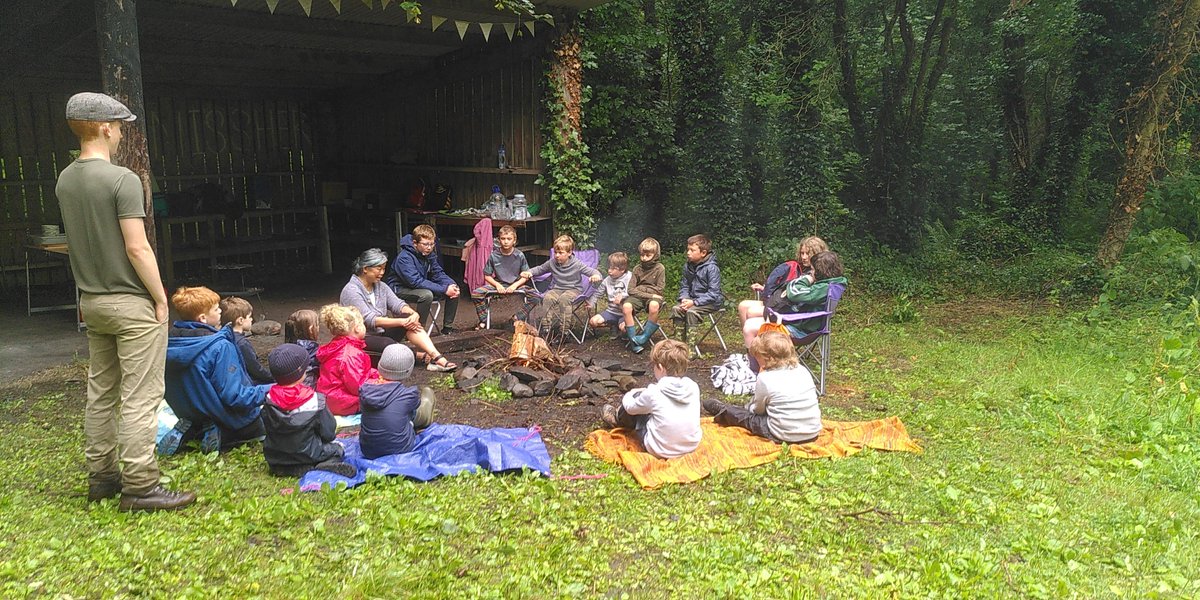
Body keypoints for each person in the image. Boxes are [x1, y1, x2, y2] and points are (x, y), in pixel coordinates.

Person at [56, 91, 195, 511]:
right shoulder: (121, 179)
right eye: (118, 127)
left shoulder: (65, 179)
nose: (120, 134)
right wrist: (161, 298)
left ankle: (102, 477)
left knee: (101, 391)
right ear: (103, 128)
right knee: (141, 395)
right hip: (130, 303)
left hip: (92, 302)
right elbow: (138, 248)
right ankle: (141, 485)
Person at [162, 286, 273, 455]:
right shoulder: (220, 346)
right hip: (229, 418)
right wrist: (273, 388)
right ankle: (224, 433)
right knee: (272, 417)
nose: (221, 310)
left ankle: (196, 430)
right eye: (216, 309)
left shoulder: (169, 343)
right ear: (203, 318)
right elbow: (235, 396)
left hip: (189, 413)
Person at [340, 248, 456, 372]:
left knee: (409, 322)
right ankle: (417, 356)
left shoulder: (380, 286)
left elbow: (398, 304)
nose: (382, 272)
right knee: (388, 344)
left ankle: (436, 357)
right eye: (378, 269)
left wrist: (412, 313)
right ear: (365, 269)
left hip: (379, 332)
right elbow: (370, 320)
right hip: (359, 338)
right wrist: (402, 322)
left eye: (384, 268)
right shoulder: (351, 290)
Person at [701, 332, 821, 443]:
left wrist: (747, 409)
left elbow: (757, 410)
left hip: (782, 434)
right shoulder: (802, 370)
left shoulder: (765, 378)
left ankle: (724, 410)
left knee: (745, 417)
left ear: (766, 358)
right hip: (812, 432)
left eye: (757, 357)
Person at [261, 344, 357, 478]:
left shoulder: (269, 399)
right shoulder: (314, 400)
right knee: (338, 448)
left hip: (277, 456)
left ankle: (285, 468)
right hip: (309, 453)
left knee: (288, 451)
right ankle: (318, 466)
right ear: (300, 372)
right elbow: (328, 433)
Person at [599, 339, 702, 459]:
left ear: (660, 367)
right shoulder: (693, 387)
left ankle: (617, 418)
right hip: (690, 446)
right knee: (649, 404)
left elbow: (630, 408)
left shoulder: (654, 392)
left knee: (638, 402)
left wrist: (631, 393)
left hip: (659, 449)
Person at [742, 251, 848, 360]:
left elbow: (794, 293)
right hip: (801, 322)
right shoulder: (833, 284)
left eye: (813, 269)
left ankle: (755, 368)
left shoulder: (823, 289)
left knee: (749, 328)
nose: (811, 272)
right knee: (751, 317)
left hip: (801, 330)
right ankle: (761, 361)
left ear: (821, 271)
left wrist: (807, 279)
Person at [738, 236, 829, 347]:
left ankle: (758, 347)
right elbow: (785, 286)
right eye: (802, 253)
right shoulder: (801, 268)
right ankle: (753, 347)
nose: (804, 257)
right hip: (783, 304)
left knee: (751, 313)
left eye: (808, 254)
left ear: (817, 254)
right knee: (743, 306)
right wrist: (766, 289)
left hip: (791, 314)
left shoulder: (815, 275)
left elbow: (797, 295)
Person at [359, 344, 438, 459]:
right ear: (408, 371)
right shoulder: (409, 394)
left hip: (368, 450)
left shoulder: (364, 390)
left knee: (394, 410)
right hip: (401, 448)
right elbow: (413, 406)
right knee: (409, 410)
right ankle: (424, 418)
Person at [520, 235, 601, 340]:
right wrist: (529, 272)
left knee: (564, 299)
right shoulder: (552, 263)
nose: (557, 255)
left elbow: (593, 271)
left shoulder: (577, 264)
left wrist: (596, 276)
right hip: (557, 289)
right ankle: (546, 329)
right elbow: (540, 269)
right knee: (548, 298)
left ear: (569, 253)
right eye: (555, 253)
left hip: (573, 290)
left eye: (561, 253)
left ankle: (564, 332)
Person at [386, 224, 462, 333]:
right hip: (399, 288)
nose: (429, 247)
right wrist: (444, 289)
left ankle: (447, 328)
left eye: (432, 244)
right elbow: (414, 281)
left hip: (417, 286)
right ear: (415, 243)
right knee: (426, 295)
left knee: (454, 289)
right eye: (426, 244)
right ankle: (418, 331)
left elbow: (438, 273)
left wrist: (450, 284)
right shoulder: (404, 258)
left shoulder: (428, 254)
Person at [316, 304, 378, 416]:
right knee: (386, 396)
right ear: (357, 328)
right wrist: (377, 381)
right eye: (362, 323)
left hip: (330, 397)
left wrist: (374, 374)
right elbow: (358, 388)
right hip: (342, 403)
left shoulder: (337, 345)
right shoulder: (351, 354)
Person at [471, 225, 536, 327]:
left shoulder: (519, 255)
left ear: (514, 241)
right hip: (499, 283)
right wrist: (497, 285)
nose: (506, 241)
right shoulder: (494, 255)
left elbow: (525, 275)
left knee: (536, 295)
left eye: (509, 239)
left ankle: (518, 317)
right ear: (499, 240)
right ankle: (484, 320)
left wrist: (515, 285)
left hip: (516, 284)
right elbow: (487, 275)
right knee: (476, 293)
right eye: (503, 239)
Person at [672, 234, 725, 345]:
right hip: (693, 300)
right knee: (677, 309)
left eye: (692, 250)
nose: (688, 253)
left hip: (712, 302)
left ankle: (690, 348)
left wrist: (694, 302)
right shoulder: (688, 266)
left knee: (691, 311)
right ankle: (678, 346)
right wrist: (684, 298)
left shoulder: (712, 268)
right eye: (688, 249)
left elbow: (713, 293)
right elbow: (684, 286)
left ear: (703, 253)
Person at [623, 237, 667, 353]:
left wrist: (643, 290)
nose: (644, 258)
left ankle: (643, 338)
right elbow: (631, 290)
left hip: (653, 299)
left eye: (648, 255)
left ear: (655, 255)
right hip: (639, 297)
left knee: (653, 305)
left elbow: (659, 289)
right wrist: (650, 294)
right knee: (626, 306)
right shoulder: (637, 268)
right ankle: (634, 342)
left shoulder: (660, 268)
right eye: (642, 255)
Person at [220, 296, 273, 384]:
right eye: (249, 316)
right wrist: (273, 378)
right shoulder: (242, 343)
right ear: (240, 320)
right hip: (248, 383)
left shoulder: (224, 336)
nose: (251, 319)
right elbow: (255, 369)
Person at [588, 251, 632, 339]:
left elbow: (635, 292)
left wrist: (623, 297)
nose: (609, 271)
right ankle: (613, 325)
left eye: (613, 269)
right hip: (611, 311)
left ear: (622, 270)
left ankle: (623, 329)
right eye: (609, 268)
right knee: (593, 322)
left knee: (625, 328)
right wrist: (591, 303)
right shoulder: (607, 280)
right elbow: (598, 293)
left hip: (625, 312)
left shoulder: (630, 277)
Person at [285, 309, 321, 388]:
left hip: (289, 387)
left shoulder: (287, 347)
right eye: (317, 325)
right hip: (309, 387)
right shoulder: (312, 348)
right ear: (311, 329)